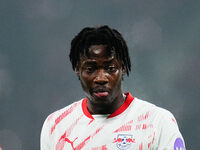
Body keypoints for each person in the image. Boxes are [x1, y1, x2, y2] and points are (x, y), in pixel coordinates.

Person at [40, 25, 186, 150]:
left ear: (122, 68)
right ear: (78, 70)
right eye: (90, 69)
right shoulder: (56, 125)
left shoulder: (157, 122)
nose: (101, 78)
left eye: (110, 68)